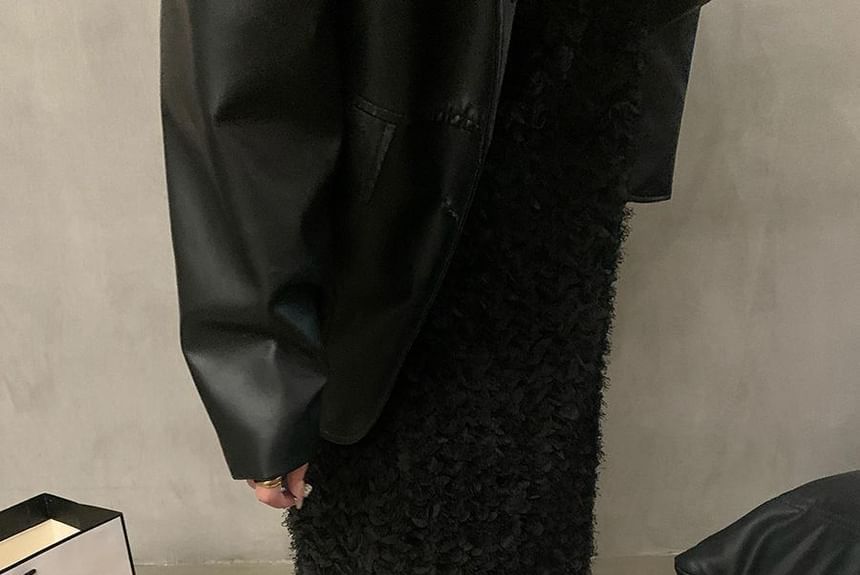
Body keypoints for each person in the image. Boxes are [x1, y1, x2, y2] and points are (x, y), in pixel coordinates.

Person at [159, 0, 709, 571]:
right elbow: (241, 69)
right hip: (400, 249)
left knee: (536, 526)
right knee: (409, 537)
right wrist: (265, 380)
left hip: (565, 215)